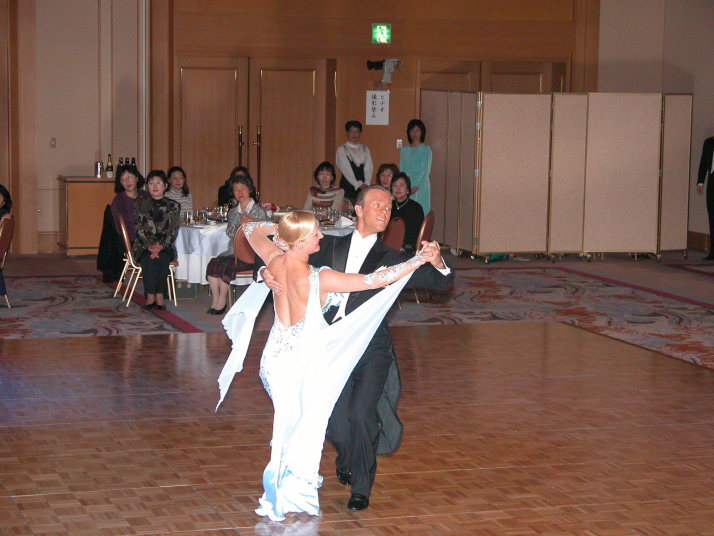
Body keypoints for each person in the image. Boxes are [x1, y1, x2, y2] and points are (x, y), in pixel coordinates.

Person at [238, 208, 442, 522]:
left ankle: (282, 488)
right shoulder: (319, 277)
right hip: (306, 361)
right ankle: (297, 492)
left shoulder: (274, 261)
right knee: (309, 427)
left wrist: (283, 228)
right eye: (315, 234)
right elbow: (374, 280)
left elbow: (251, 228)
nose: (321, 235)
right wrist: (416, 261)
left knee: (287, 424)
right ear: (300, 242)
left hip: (276, 359)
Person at [205, 173, 267, 314]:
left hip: (252, 253)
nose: (239, 193)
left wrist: (250, 223)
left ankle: (222, 302)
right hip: (233, 251)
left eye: (243, 189)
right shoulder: (233, 211)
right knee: (214, 264)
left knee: (226, 266)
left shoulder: (259, 210)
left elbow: (264, 231)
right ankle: (216, 300)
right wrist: (241, 226)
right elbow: (230, 231)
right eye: (236, 190)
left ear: (250, 189)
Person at [132, 170, 180, 310]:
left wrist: (161, 246)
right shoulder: (139, 204)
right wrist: (150, 246)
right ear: (147, 186)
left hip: (166, 246)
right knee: (148, 259)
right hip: (143, 245)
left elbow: (173, 230)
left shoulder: (174, 206)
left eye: (158, 183)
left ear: (165, 186)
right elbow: (138, 228)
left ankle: (159, 296)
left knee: (162, 258)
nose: (154, 186)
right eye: (151, 183)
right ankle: (150, 296)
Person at [400, 119, 432, 215]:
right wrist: (404, 185)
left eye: (417, 130)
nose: (414, 133)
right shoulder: (404, 150)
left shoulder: (426, 149)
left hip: (422, 185)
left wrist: (416, 186)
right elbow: (402, 170)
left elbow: (426, 170)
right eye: (412, 130)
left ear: (422, 132)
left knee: (421, 211)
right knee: (407, 212)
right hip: (407, 184)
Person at [336, 120, 373, 203]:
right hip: (348, 184)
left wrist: (366, 183)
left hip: (363, 186)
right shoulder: (342, 149)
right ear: (347, 133)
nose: (354, 134)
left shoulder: (365, 149)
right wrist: (357, 184)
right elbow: (346, 169)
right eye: (351, 131)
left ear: (360, 134)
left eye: (357, 131)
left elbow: (369, 167)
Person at [110, 164, 149, 243]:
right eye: (123, 179)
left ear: (137, 178)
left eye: (129, 176)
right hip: (130, 241)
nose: (127, 181)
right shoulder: (119, 201)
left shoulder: (146, 195)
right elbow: (117, 229)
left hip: (150, 238)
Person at [391, 172, 424, 253]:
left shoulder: (416, 208)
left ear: (408, 190)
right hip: (388, 244)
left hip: (407, 247)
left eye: (401, 185)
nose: (398, 188)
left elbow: (416, 232)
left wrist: (403, 246)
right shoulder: (388, 206)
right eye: (395, 185)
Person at [698, 136, 714, 260]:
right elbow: (703, 162)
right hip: (712, 180)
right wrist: (700, 182)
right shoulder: (708, 142)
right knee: (712, 216)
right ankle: (713, 251)